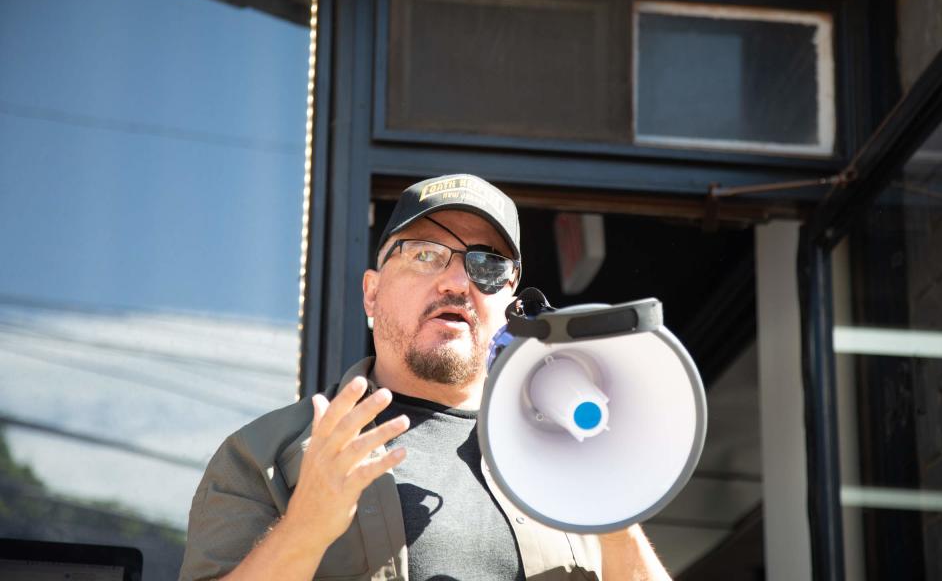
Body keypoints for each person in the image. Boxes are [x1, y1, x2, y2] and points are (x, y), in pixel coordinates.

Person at [179, 173, 671, 581]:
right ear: (372, 294)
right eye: (425, 254)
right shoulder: (266, 457)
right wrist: (305, 529)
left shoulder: (569, 452)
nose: (458, 282)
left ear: (510, 302)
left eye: (487, 265)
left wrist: (615, 514)